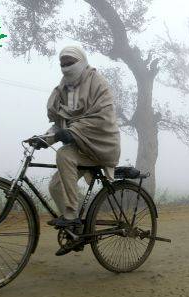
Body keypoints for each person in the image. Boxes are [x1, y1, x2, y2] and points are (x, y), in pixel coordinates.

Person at [29, 45, 121, 255]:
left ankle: (71, 215)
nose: (66, 67)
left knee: (64, 154)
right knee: (54, 187)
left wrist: (73, 130)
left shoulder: (97, 83)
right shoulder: (62, 90)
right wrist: (45, 139)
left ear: (82, 60)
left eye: (71, 62)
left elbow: (102, 118)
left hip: (100, 144)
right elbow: (60, 124)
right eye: (63, 64)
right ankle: (76, 231)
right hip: (79, 147)